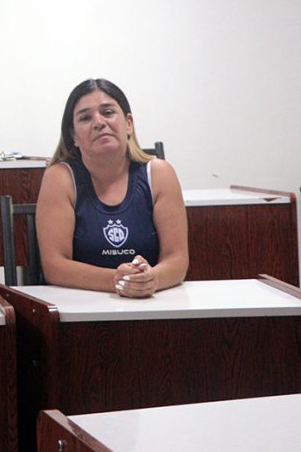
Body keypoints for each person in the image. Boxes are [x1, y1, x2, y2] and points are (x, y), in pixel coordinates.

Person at [35, 78, 188, 298]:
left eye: (108, 112)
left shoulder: (160, 173)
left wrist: (152, 279)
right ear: (73, 136)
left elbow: (177, 260)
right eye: (85, 118)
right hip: (81, 307)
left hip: (150, 304)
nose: (98, 122)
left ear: (128, 123)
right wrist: (116, 280)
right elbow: (54, 266)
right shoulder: (60, 177)